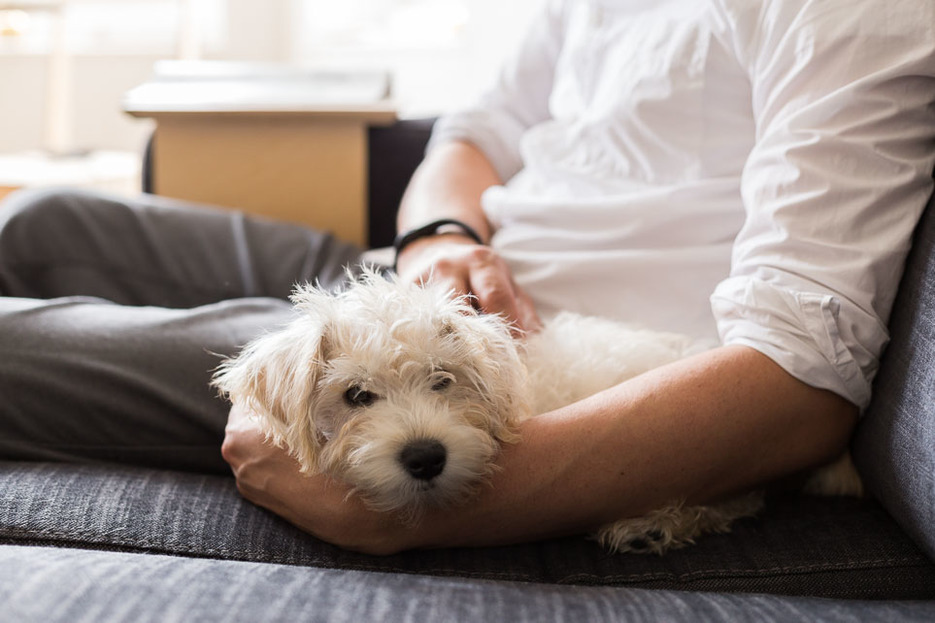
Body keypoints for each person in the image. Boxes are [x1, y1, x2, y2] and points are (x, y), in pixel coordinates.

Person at [1, 0, 934, 555]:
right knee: (44, 219)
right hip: (417, 283)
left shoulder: (850, 17)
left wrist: (418, 518)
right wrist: (437, 239)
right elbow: (470, 137)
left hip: (525, 352)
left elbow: (802, 377)